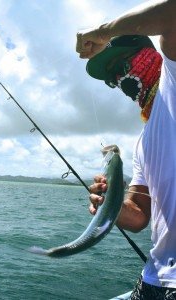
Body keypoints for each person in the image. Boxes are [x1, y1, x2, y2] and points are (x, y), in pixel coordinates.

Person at [76, 1, 176, 299]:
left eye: (124, 64)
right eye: (112, 78)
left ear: (153, 56)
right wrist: (112, 203)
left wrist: (102, 32)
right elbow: (138, 218)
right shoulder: (144, 142)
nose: (120, 78)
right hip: (154, 282)